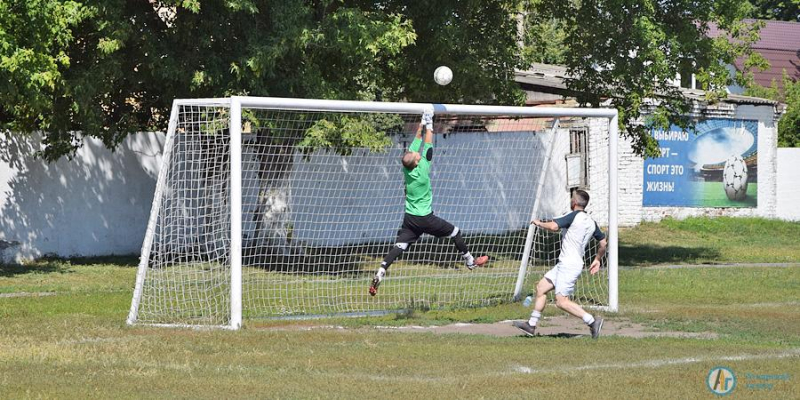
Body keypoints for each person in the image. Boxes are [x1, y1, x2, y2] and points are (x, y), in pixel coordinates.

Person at [369, 109, 488, 296]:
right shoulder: (423, 169)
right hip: (425, 218)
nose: (417, 154)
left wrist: (421, 123)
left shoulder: (407, 170)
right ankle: (469, 261)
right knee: (455, 232)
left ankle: (381, 271)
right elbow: (428, 144)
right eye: (417, 156)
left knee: (400, 246)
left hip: (410, 219)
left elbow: (416, 145)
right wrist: (430, 124)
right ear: (417, 162)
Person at [513, 189, 608, 338]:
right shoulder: (591, 222)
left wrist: (539, 223)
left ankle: (592, 321)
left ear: (574, 203)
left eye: (571, 199)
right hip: (567, 263)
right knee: (541, 288)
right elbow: (603, 243)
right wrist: (597, 259)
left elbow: (554, 227)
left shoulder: (573, 216)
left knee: (561, 302)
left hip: (569, 265)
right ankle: (531, 325)